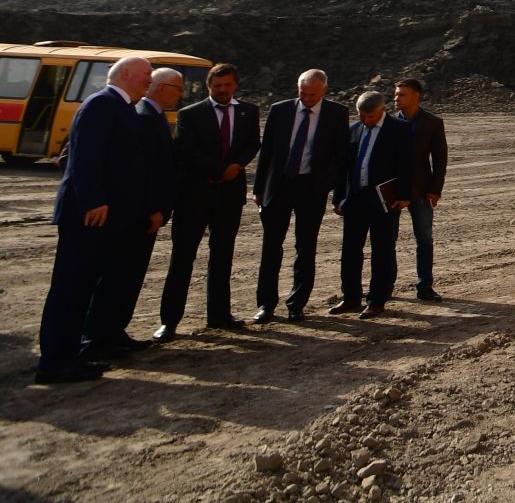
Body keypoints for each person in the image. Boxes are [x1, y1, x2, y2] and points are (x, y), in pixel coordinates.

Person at [36, 55, 150, 383]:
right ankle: (55, 362)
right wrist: (94, 201)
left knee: (84, 288)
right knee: (71, 288)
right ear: (126, 74)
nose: (150, 80)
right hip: (88, 216)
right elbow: (83, 157)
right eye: (146, 74)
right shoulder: (101, 104)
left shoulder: (122, 106)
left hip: (104, 218)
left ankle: (70, 355)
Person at [81, 64, 183, 358]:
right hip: (136, 213)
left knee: (128, 278)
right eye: (178, 89)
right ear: (163, 89)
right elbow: (145, 171)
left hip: (141, 212)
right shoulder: (143, 117)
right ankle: (98, 338)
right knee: (116, 278)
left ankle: (113, 332)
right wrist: (153, 208)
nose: (180, 95)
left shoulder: (152, 116)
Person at [155, 62, 261, 339]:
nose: (222, 91)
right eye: (217, 86)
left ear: (235, 85)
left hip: (229, 196)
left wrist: (236, 166)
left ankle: (219, 315)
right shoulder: (190, 114)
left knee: (222, 256)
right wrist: (218, 171)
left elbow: (252, 144)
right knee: (182, 258)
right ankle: (169, 320)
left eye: (227, 86)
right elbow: (186, 150)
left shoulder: (249, 112)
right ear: (209, 87)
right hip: (194, 195)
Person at [252, 69, 349, 323]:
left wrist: (330, 188)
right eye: (302, 93)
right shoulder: (279, 110)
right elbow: (268, 152)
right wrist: (259, 189)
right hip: (279, 185)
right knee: (271, 247)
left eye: (312, 94)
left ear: (324, 91)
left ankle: (296, 303)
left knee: (306, 247)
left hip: (311, 188)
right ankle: (265, 304)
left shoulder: (336, 114)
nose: (306, 98)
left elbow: (340, 157)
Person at [331, 90, 411, 319]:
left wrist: (404, 195)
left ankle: (377, 300)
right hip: (356, 199)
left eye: (371, 116)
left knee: (382, 251)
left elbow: (407, 166)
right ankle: (350, 297)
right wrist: (339, 197)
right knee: (350, 251)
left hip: (384, 201)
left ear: (382, 110)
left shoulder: (399, 130)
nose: (366, 121)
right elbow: (344, 168)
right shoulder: (354, 130)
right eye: (362, 116)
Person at [391, 77, 448, 302]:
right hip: (394, 191)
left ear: (416, 96)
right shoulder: (389, 122)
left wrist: (435, 189)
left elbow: (440, 160)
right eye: (396, 94)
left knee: (424, 238)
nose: (396, 98)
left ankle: (425, 286)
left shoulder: (433, 122)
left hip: (422, 191)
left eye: (402, 94)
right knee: (388, 239)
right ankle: (386, 286)